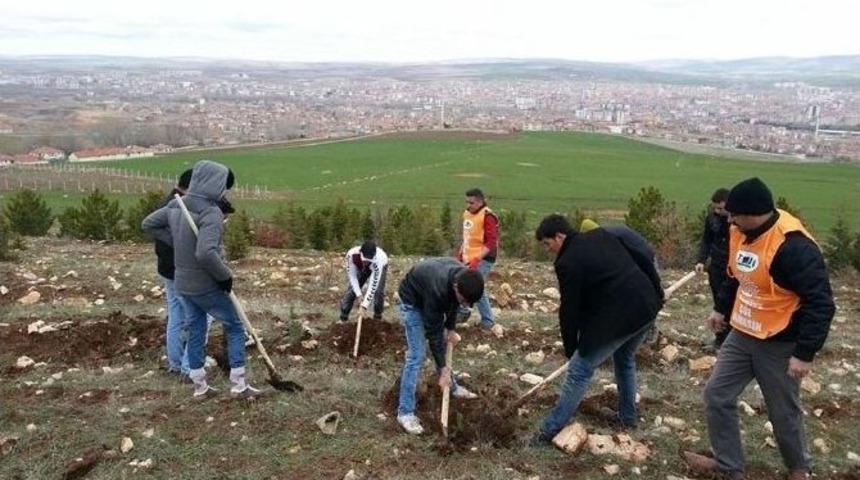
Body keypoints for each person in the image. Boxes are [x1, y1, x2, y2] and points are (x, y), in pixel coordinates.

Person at [683, 178, 835, 480]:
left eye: (734, 215)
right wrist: (720, 310)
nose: (730, 220)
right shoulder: (739, 231)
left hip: (780, 342)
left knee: (782, 411)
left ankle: (798, 469)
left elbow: (821, 303)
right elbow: (735, 275)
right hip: (742, 333)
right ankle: (729, 465)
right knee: (717, 395)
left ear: (752, 213)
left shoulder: (794, 247)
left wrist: (804, 353)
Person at [527, 214, 662, 445]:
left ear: (560, 236)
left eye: (548, 244)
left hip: (625, 312)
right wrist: (657, 293)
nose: (548, 250)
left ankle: (547, 432)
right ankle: (628, 418)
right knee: (625, 356)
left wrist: (572, 351)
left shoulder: (567, 261)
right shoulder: (601, 235)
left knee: (579, 370)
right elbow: (642, 258)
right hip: (647, 305)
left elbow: (570, 309)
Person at [142, 159, 261, 399]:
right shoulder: (211, 212)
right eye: (223, 186)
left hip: (182, 281)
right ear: (215, 184)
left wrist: (177, 242)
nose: (225, 191)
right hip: (204, 283)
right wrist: (224, 276)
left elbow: (148, 223)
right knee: (235, 326)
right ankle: (239, 384)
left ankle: (200, 386)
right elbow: (206, 253)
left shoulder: (177, 205)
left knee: (195, 327)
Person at [395, 258, 484, 434]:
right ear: (456, 288)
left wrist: (450, 329)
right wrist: (443, 370)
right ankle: (405, 412)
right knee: (417, 355)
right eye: (465, 300)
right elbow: (434, 333)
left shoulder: (462, 277)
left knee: (442, 345)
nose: (467, 305)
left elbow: (453, 304)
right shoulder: (438, 289)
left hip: (431, 295)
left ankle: (453, 386)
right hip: (412, 301)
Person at [153, 168, 193, 378]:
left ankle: (176, 365)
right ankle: (189, 366)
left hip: (168, 270)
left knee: (176, 316)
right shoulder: (179, 207)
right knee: (198, 318)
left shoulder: (166, 203)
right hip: (181, 271)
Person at [457, 188, 499, 329]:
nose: (468, 205)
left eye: (472, 202)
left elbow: (491, 242)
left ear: (480, 201)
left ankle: (488, 321)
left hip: (484, 258)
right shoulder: (467, 214)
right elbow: (467, 236)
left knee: (477, 288)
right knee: (462, 285)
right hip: (468, 257)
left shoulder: (488, 216)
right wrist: (461, 252)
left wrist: (477, 259)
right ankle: (462, 312)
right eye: (467, 202)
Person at [695, 188, 732, 349]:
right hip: (716, 267)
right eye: (715, 208)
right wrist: (701, 260)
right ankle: (720, 340)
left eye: (721, 208)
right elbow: (706, 240)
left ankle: (731, 342)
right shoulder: (711, 219)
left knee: (731, 304)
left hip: (734, 269)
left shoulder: (737, 222)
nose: (717, 211)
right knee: (718, 303)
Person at [339, 241, 388, 322]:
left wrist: (364, 306)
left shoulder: (379, 259)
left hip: (380, 266)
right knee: (351, 290)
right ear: (360, 253)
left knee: (378, 291)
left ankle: (377, 317)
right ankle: (343, 317)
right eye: (365, 260)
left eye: (369, 260)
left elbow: (373, 285)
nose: (367, 262)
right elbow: (353, 277)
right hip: (359, 266)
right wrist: (359, 294)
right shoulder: (351, 255)